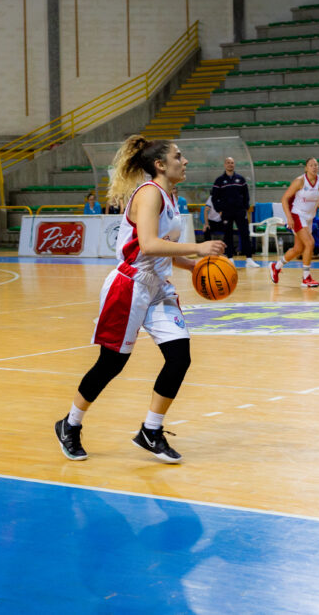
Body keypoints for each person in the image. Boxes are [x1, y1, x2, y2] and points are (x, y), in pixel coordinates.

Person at [54, 135, 225, 464]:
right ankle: (70, 424)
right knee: (111, 364)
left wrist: (190, 265)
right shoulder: (149, 194)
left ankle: (151, 430)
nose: (185, 160)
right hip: (129, 287)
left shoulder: (170, 196)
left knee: (179, 358)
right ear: (160, 165)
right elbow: (146, 244)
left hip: (157, 287)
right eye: (178, 156)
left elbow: (160, 247)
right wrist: (198, 248)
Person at [269, 157, 319, 288]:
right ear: (306, 168)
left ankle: (276, 266)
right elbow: (284, 199)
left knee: (298, 249)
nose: (314, 167)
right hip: (297, 215)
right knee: (310, 243)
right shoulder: (300, 181)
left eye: (316, 165)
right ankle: (306, 278)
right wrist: (289, 217)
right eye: (311, 165)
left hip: (309, 217)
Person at [211, 157, 260, 268]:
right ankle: (230, 258)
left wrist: (246, 207)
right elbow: (214, 197)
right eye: (228, 163)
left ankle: (249, 259)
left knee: (245, 234)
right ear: (225, 165)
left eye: (232, 163)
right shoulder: (219, 180)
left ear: (234, 164)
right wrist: (219, 210)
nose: (230, 164)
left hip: (240, 211)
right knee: (228, 235)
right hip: (226, 212)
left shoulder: (240, 179)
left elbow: (246, 195)